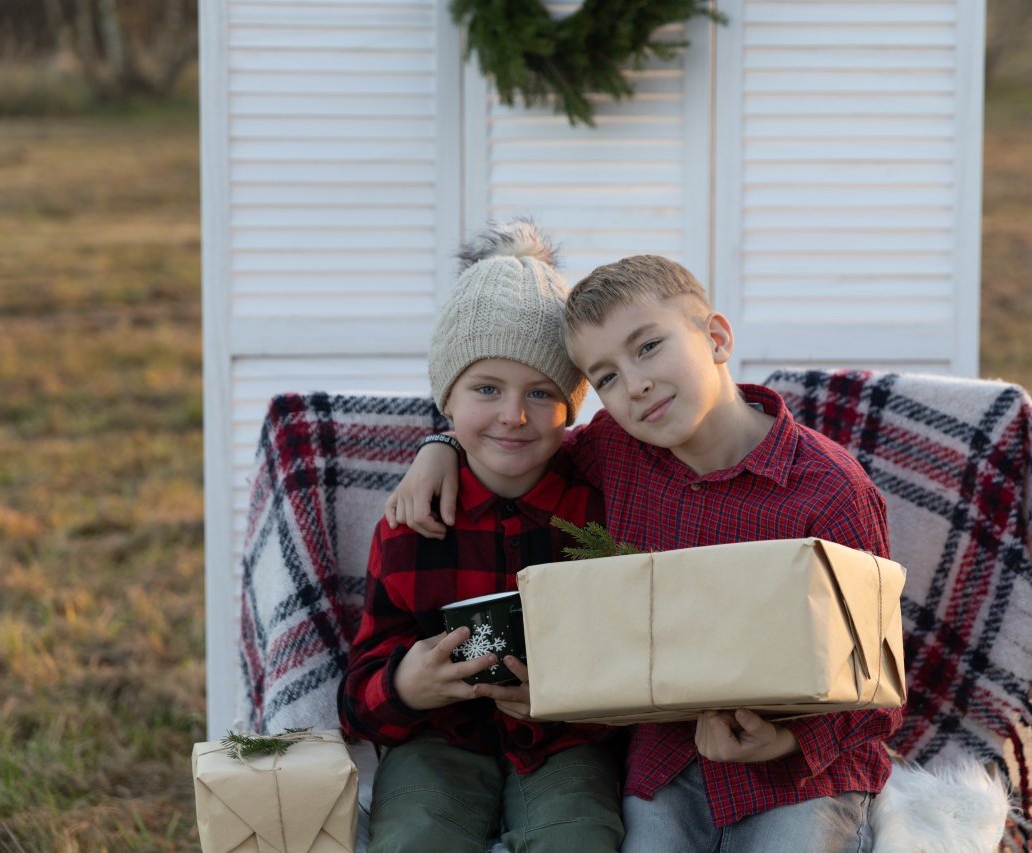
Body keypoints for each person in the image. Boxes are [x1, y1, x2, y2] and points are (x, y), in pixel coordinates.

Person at [386, 253, 902, 853]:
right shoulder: (616, 450)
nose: (634, 385)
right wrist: (441, 444)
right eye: (604, 376)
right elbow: (513, 436)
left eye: (649, 347)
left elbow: (880, 687)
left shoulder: (833, 490)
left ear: (715, 337)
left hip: (803, 772)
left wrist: (788, 742)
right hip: (668, 762)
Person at [338, 219, 624, 853]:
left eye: (542, 392)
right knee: (413, 838)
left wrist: (573, 698)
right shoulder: (415, 517)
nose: (512, 416)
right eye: (486, 389)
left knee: (579, 838)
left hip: (566, 739)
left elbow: (638, 659)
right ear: (447, 398)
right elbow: (356, 697)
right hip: (440, 738)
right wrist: (404, 687)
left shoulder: (600, 505)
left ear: (574, 404)